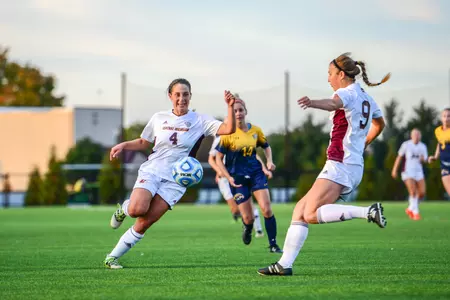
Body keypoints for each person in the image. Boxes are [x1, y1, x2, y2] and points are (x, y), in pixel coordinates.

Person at [258, 52, 389, 276]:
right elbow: (380, 123)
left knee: (309, 213)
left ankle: (367, 212)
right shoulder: (366, 97)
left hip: (342, 163)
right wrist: (364, 142)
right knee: (300, 210)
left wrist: (312, 103)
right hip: (350, 163)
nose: (328, 78)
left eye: (330, 74)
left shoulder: (345, 92)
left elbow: (333, 103)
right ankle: (284, 265)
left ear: (340, 74)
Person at [104, 78, 237, 269]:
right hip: (153, 170)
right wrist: (123, 145)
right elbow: (143, 142)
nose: (182, 98)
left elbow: (228, 129)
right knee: (136, 210)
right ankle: (124, 209)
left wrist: (230, 107)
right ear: (170, 96)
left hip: (176, 181)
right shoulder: (159, 117)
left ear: (190, 96)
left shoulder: (200, 120)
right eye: (177, 94)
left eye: (185, 94)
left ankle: (112, 257)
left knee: (144, 222)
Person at [214, 97, 282, 253]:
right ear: (231, 113)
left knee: (266, 209)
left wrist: (269, 162)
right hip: (237, 178)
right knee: (248, 217)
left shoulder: (255, 130)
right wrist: (228, 177)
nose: (238, 113)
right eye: (235, 111)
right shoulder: (228, 134)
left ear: (245, 112)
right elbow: (218, 158)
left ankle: (273, 244)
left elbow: (266, 146)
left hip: (256, 174)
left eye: (240, 110)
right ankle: (248, 226)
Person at [208, 134, 266, 237]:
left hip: (239, 174)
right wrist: (219, 171)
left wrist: (263, 168)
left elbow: (253, 155)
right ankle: (246, 222)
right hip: (225, 179)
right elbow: (211, 159)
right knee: (235, 209)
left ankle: (258, 229)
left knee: (247, 201)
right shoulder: (219, 140)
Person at [391, 129, 428, 220]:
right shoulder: (406, 145)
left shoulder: (423, 146)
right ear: (411, 136)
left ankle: (410, 208)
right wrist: (394, 169)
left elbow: (425, 159)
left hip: (419, 172)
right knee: (413, 191)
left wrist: (423, 159)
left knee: (422, 193)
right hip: (407, 171)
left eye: (418, 134)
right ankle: (416, 213)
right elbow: (399, 157)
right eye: (414, 134)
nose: (416, 136)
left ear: (420, 136)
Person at [428, 108, 450, 197]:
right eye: (444, 116)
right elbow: (440, 143)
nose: (446, 118)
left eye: (449, 116)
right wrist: (435, 156)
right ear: (441, 118)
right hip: (445, 165)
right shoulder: (438, 131)